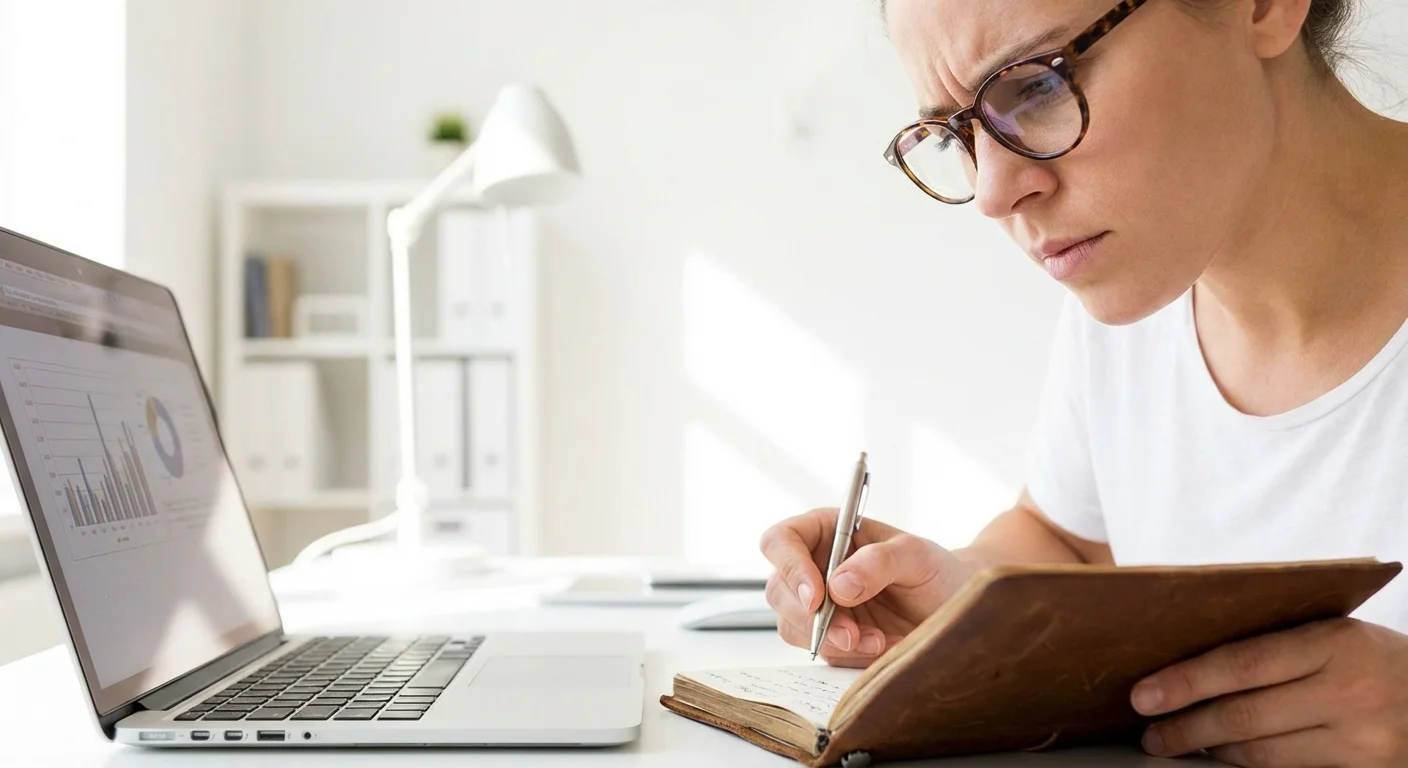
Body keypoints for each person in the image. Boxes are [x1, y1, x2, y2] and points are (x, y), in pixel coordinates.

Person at [759, 0, 1408, 765]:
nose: (995, 195)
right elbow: (1067, 539)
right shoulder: (1147, 277)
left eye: (1035, 87)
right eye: (954, 134)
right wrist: (959, 614)